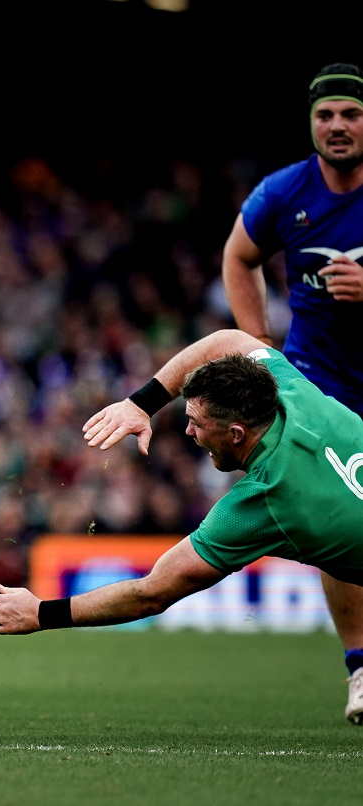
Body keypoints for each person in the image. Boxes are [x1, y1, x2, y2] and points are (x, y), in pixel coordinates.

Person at [0, 328, 363, 725]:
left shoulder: (262, 502)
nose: (188, 432)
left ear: (236, 433)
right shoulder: (293, 392)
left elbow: (151, 594)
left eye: (196, 423)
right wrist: (141, 404)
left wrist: (42, 613)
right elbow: (227, 340)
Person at [220, 62, 363, 720]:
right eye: (326, 115)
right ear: (311, 123)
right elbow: (238, 256)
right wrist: (261, 351)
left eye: (352, 114)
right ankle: (361, 668)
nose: (338, 125)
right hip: (321, 384)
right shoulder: (284, 192)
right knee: (339, 523)